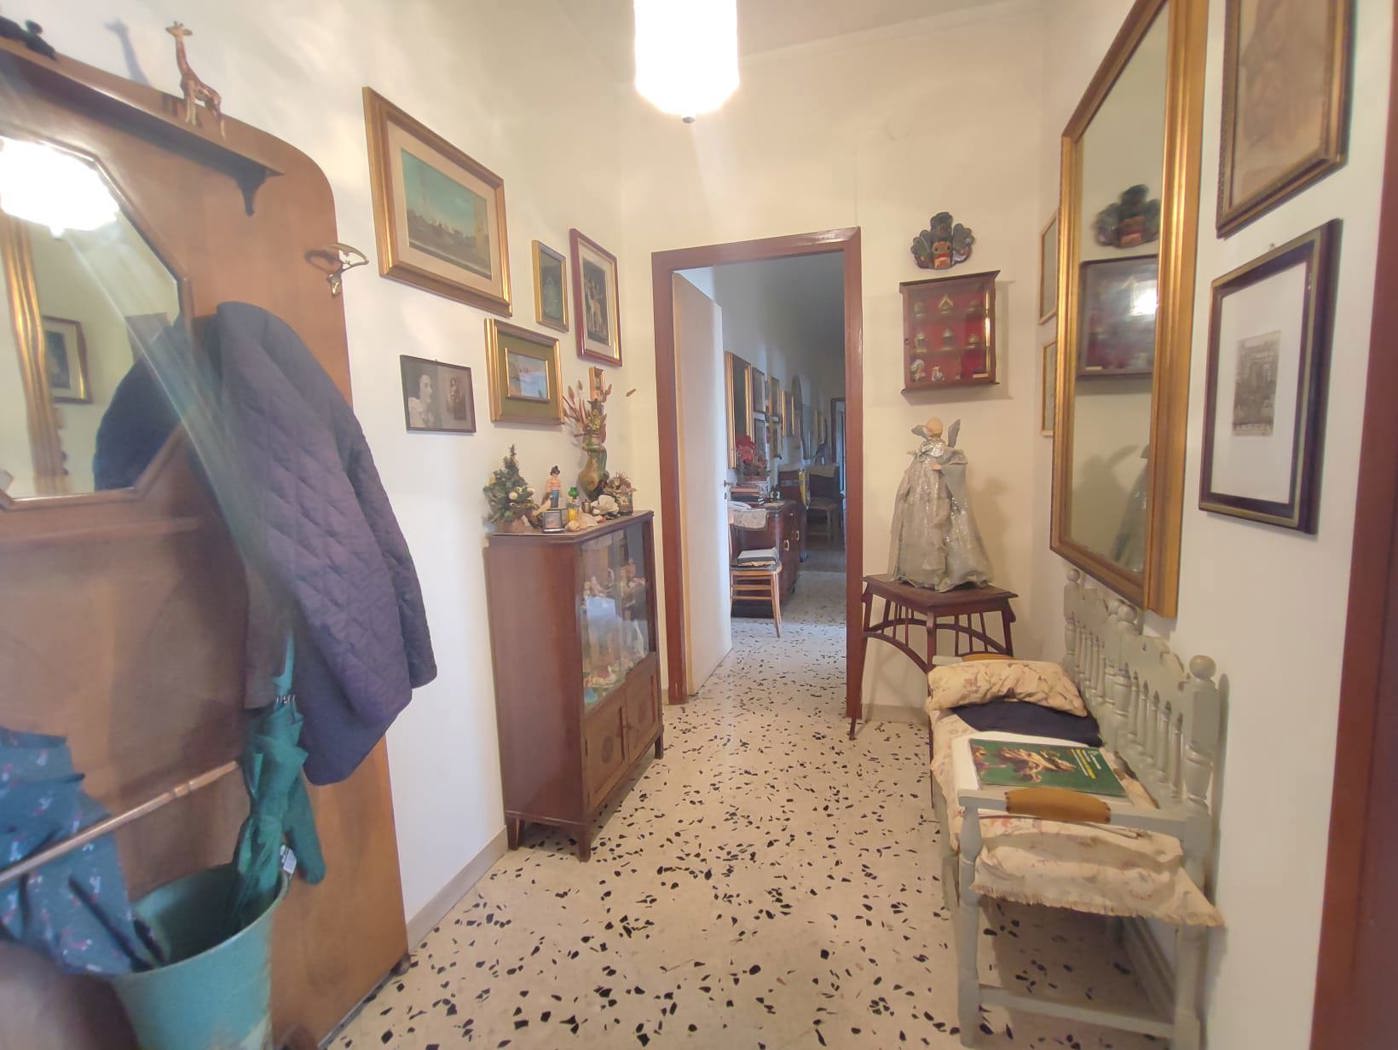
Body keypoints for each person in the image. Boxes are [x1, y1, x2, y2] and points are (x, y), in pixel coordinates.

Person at [888, 416, 992, 590]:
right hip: (921, 498)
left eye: (930, 429)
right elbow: (914, 471)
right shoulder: (923, 449)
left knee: (938, 530)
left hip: (938, 496)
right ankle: (918, 571)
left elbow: (959, 465)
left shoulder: (944, 450)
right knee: (921, 530)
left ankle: (937, 572)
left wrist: (943, 468)